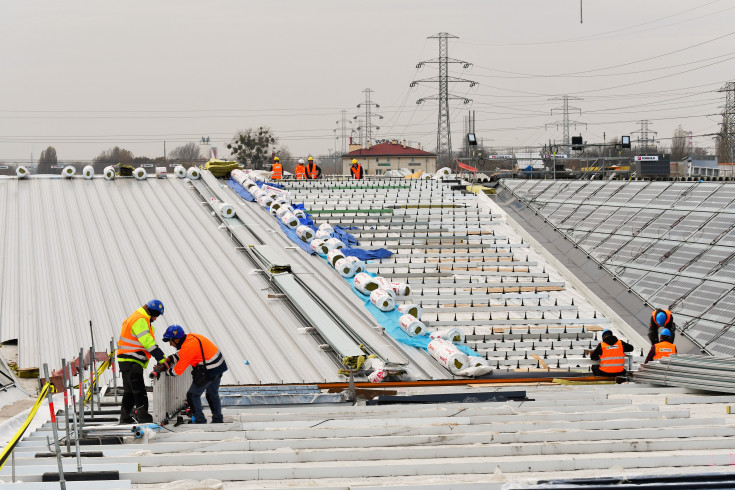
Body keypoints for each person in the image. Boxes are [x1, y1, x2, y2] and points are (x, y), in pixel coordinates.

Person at [154, 325, 228, 424]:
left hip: (209, 369)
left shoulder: (188, 346)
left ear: (176, 339)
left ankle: (200, 420)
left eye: (170, 341)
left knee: (192, 395)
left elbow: (178, 371)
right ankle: (218, 419)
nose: (170, 344)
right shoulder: (190, 338)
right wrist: (171, 358)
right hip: (219, 366)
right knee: (212, 394)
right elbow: (183, 353)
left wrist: (165, 371)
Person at [117, 299, 167, 423]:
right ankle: (144, 417)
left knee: (129, 392)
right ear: (151, 312)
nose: (155, 319)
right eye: (156, 316)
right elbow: (148, 342)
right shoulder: (140, 319)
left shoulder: (138, 317)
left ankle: (125, 418)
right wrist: (162, 358)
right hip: (132, 360)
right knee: (139, 391)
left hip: (126, 360)